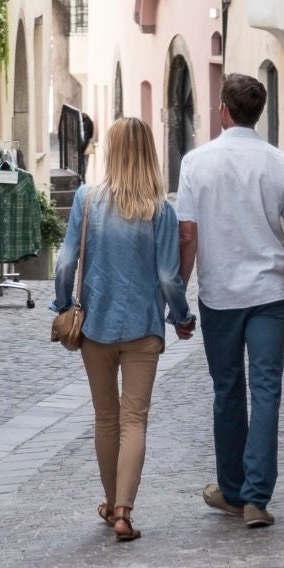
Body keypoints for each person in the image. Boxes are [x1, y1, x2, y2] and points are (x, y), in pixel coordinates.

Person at [51, 117, 195, 543]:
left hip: (94, 327)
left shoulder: (87, 199)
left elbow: (64, 263)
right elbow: (170, 277)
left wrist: (62, 305)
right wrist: (182, 317)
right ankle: (124, 513)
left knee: (105, 417)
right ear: (149, 153)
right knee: (134, 420)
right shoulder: (160, 209)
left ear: (112, 152)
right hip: (143, 330)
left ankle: (112, 502)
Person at [176, 73, 284, 529]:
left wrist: (178, 295)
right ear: (258, 112)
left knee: (227, 390)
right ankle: (257, 498)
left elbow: (188, 236)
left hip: (220, 295)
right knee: (267, 390)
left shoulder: (196, 163)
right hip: (270, 291)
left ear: (223, 110)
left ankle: (231, 491)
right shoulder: (283, 164)